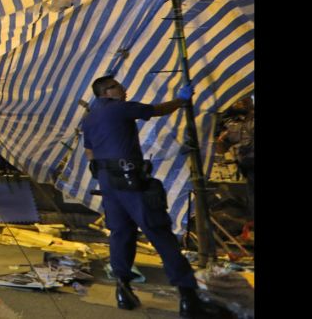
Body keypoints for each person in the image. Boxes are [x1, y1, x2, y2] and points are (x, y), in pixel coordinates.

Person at [82, 75, 217, 318]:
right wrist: (180, 100)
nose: (124, 89)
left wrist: (105, 168)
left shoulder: (89, 118)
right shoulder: (120, 108)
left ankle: (123, 290)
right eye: (118, 86)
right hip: (130, 181)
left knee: (121, 233)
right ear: (106, 92)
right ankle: (188, 296)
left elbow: (89, 152)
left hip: (108, 184)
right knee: (158, 231)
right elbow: (156, 110)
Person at [216, 96, 254, 220]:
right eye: (238, 99)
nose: (241, 101)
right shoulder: (231, 124)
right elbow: (221, 149)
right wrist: (221, 141)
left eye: (244, 98)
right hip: (248, 169)